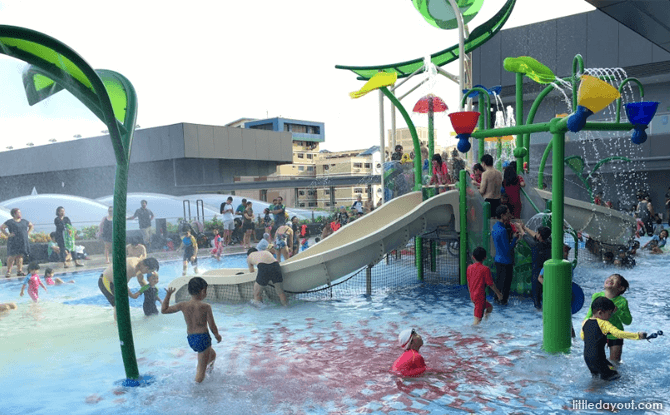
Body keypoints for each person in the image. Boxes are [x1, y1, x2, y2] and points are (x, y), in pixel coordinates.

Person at [162, 278, 222, 383]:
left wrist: (168, 295)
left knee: (212, 355)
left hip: (191, 339)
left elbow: (164, 310)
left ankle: (209, 373)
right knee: (200, 372)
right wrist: (217, 335)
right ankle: (197, 391)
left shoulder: (183, 305)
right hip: (203, 338)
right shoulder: (205, 306)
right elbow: (212, 325)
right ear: (203, 291)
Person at [581, 296, 646, 381]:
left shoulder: (585, 322)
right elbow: (618, 334)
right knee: (614, 376)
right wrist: (638, 336)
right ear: (600, 313)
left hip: (587, 358)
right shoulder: (604, 323)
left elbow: (583, 337)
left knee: (597, 376)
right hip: (599, 359)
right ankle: (592, 389)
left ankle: (593, 387)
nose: (610, 316)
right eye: (609, 313)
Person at [583, 274, 632, 363]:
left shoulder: (622, 301)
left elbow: (628, 321)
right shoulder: (596, 296)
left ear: (621, 288)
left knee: (615, 361)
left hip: (615, 334)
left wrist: (618, 311)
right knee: (596, 358)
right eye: (609, 278)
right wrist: (585, 325)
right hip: (598, 332)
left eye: (614, 279)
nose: (610, 279)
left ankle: (615, 374)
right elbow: (590, 312)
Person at [492, 205, 521, 305]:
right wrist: (514, 238)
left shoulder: (495, 227)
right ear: (502, 215)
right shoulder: (503, 230)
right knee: (505, 288)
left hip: (498, 260)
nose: (509, 215)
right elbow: (507, 249)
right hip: (506, 262)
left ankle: (497, 301)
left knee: (499, 285)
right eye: (507, 213)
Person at [467, 247, 504, 325]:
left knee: (489, 308)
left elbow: (469, 282)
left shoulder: (469, 268)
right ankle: (469, 334)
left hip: (474, 295)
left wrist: (471, 295)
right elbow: (491, 284)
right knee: (477, 322)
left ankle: (485, 322)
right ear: (485, 258)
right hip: (480, 297)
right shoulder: (485, 269)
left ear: (473, 257)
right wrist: (498, 294)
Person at [520, 224, 551, 310]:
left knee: (536, 296)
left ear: (540, 235)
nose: (535, 233)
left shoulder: (536, 245)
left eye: (537, 232)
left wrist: (520, 229)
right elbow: (534, 235)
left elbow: (525, 236)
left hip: (537, 273)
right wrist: (525, 227)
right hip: (547, 271)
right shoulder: (549, 242)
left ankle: (538, 309)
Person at [1, 208, 33, 277]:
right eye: (18, 212)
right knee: (12, 256)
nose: (20, 214)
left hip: (22, 241)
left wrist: (28, 232)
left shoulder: (24, 221)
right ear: (14, 214)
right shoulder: (10, 222)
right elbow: (2, 227)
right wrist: (7, 235)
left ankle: (19, 271)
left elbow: (31, 225)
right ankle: (8, 271)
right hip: (13, 241)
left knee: (20, 256)